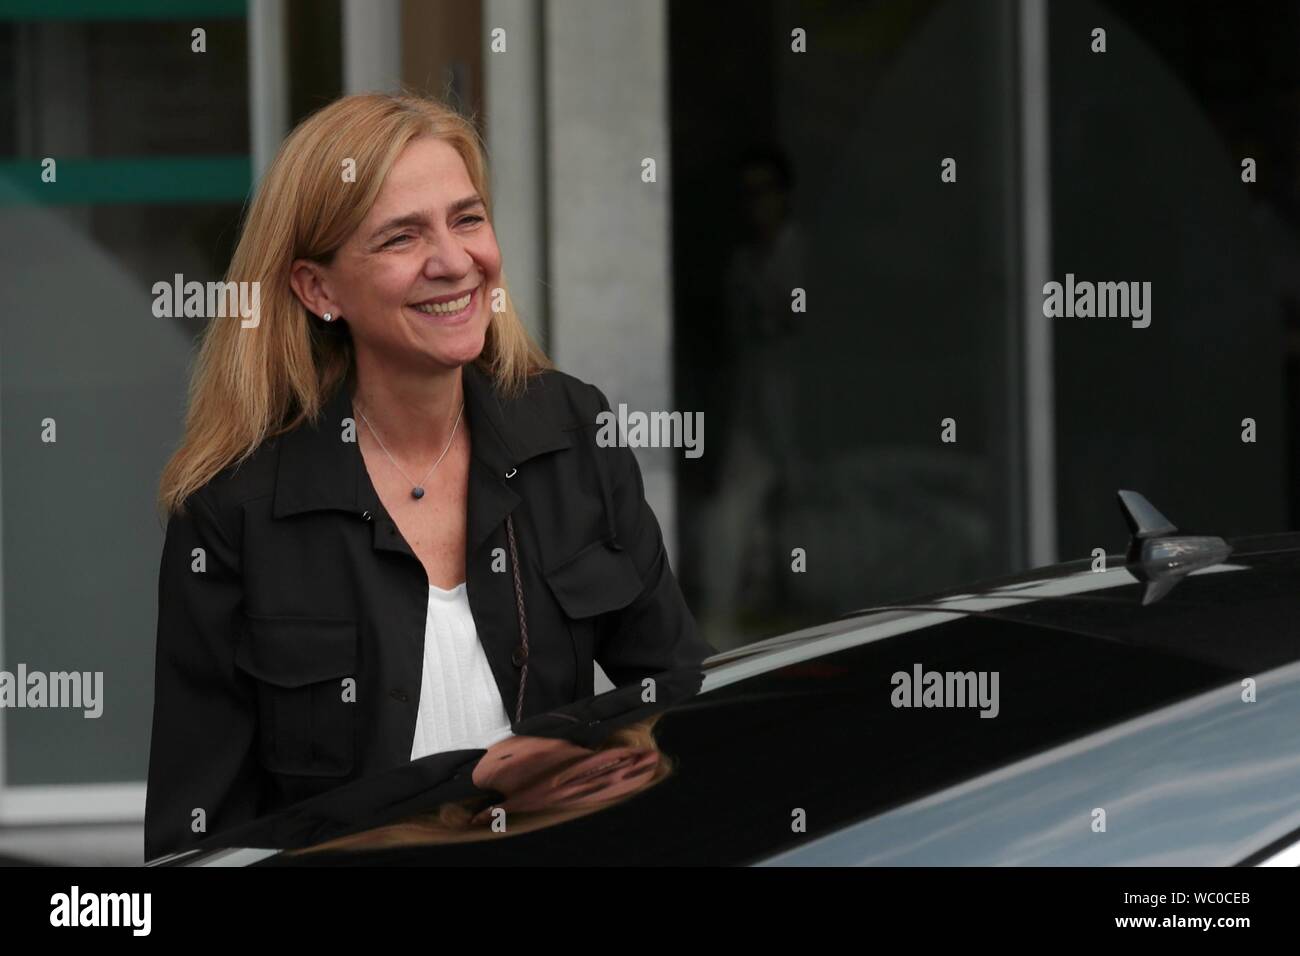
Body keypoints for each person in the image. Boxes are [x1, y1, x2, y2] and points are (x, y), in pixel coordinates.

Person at [144, 92, 715, 862]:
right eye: (402, 236)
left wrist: (589, 765)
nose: (454, 260)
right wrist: (455, 795)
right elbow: (200, 836)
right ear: (319, 290)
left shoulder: (574, 431)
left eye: (467, 218)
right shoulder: (233, 512)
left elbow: (683, 709)